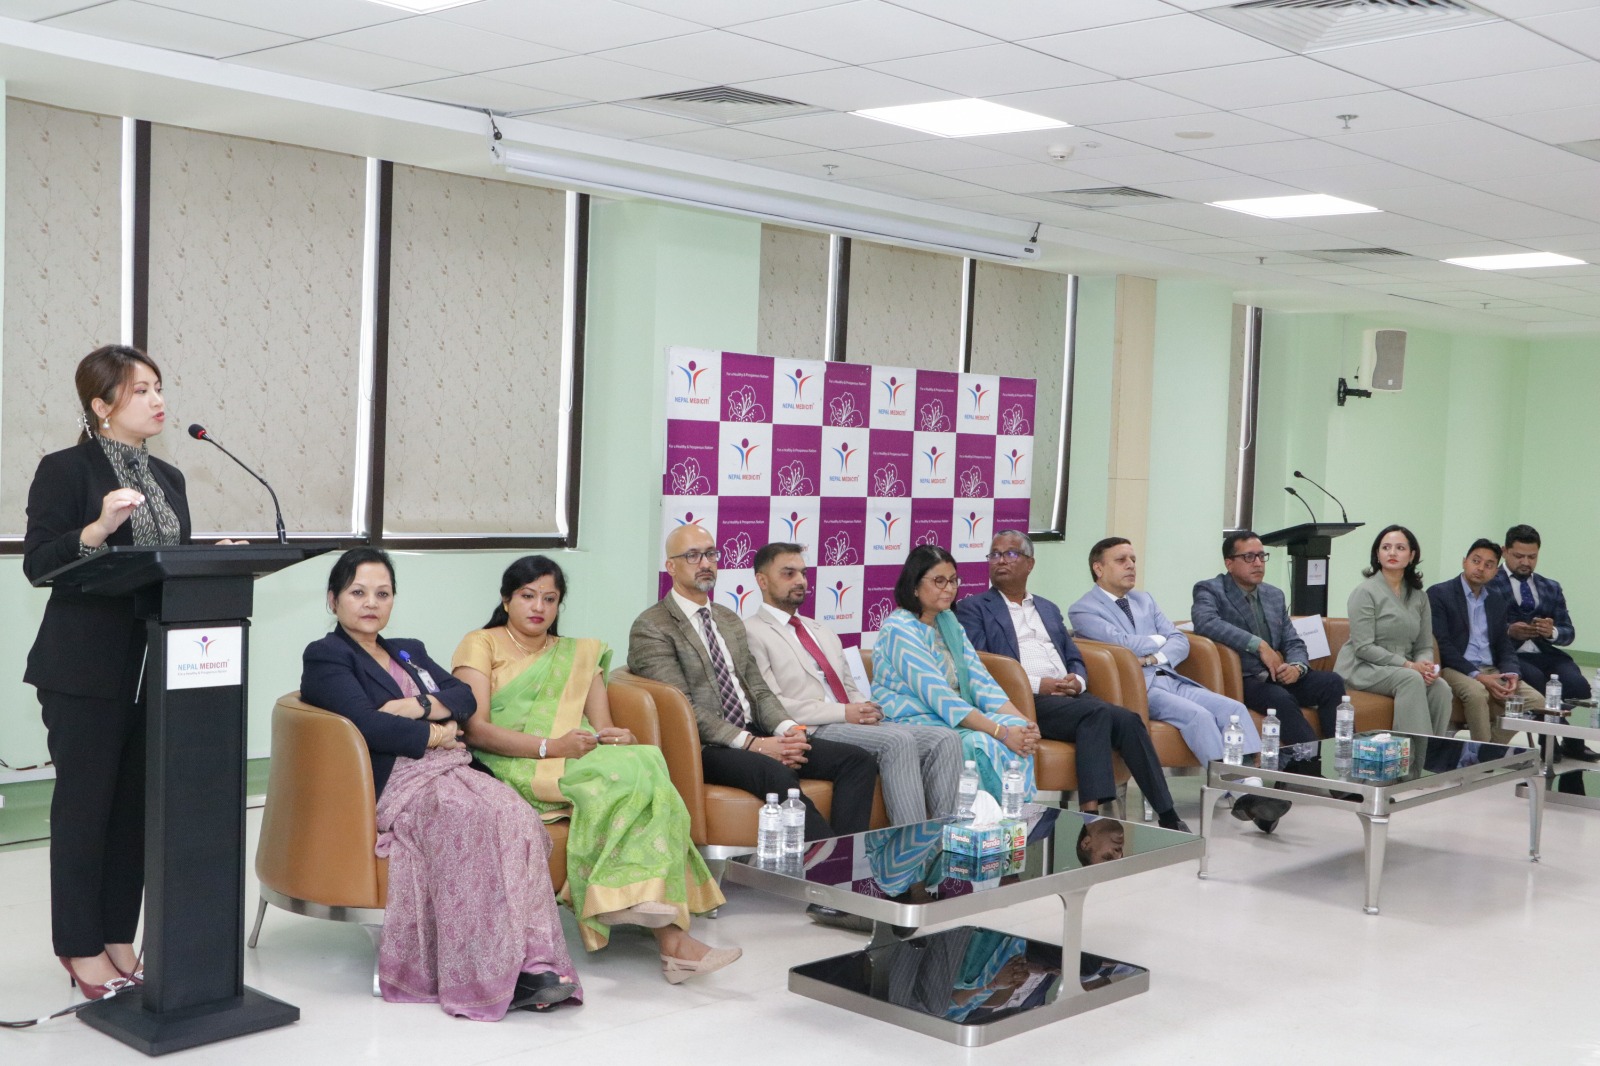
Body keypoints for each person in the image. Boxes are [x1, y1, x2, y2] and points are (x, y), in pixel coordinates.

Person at [301, 548, 580, 1020]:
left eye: (382, 594)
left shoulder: (407, 649)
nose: (371, 603)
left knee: (516, 817)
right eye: (358, 592)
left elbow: (464, 696)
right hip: (394, 779)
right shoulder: (328, 655)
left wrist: (420, 707)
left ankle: (534, 964)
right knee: (471, 821)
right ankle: (487, 974)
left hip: (450, 766)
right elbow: (368, 726)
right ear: (333, 600)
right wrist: (437, 733)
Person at [451, 556, 738, 983]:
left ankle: (651, 918)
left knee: (645, 760)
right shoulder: (481, 643)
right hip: (512, 760)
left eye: (550, 599)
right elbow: (475, 730)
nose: (539, 607)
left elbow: (603, 729)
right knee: (619, 778)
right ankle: (645, 918)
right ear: (506, 600)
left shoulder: (579, 654)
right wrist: (551, 747)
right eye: (528, 596)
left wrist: (618, 737)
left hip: (576, 753)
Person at [22, 346, 203, 998]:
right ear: (101, 406)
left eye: (159, 387)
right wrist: (98, 527)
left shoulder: (170, 477)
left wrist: (217, 561)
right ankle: (79, 946)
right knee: (85, 811)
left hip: (158, 667)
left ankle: (118, 938)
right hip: (85, 669)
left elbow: (169, 566)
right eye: (140, 390)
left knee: (133, 811)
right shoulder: (65, 470)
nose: (158, 400)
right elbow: (39, 564)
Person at [626, 524, 878, 842]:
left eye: (711, 554)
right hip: (705, 746)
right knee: (775, 772)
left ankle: (846, 856)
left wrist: (789, 730)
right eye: (692, 556)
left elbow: (757, 689)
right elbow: (682, 709)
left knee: (857, 761)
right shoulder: (652, 627)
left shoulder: (727, 619)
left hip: (756, 730)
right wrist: (753, 745)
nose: (705, 563)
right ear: (671, 566)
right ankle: (826, 861)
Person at [955, 530, 1190, 833]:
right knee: (1095, 713)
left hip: (1070, 696)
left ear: (1030, 563)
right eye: (995, 554)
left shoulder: (1047, 607)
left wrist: (1077, 680)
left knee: (1129, 721)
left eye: (1010, 554)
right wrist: (1039, 684)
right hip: (1024, 700)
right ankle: (1091, 817)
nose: (1001, 561)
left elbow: (1073, 654)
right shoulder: (974, 608)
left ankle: (1167, 814)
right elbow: (982, 664)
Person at [1068, 537, 1290, 833]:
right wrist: (1159, 640)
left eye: (1133, 559)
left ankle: (1254, 790)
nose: (1131, 565)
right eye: (1121, 560)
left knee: (1234, 709)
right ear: (1098, 568)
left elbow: (1179, 640)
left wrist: (1154, 656)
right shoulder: (1083, 609)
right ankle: (1240, 795)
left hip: (1169, 675)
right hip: (1138, 688)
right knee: (1198, 716)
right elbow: (1121, 643)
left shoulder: (1145, 600)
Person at [744, 542, 963, 826]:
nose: (800, 581)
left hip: (851, 722)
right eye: (789, 573)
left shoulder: (821, 630)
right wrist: (845, 713)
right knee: (897, 741)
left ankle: (947, 838)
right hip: (812, 728)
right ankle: (910, 846)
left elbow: (849, 688)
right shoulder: (751, 632)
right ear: (762, 581)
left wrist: (866, 708)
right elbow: (771, 704)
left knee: (946, 739)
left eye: (803, 573)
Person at [871, 544, 1040, 803]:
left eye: (952, 580)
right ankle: (983, 816)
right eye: (939, 581)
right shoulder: (899, 628)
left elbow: (981, 681)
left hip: (952, 716)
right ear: (914, 586)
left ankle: (1017, 813)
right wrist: (1002, 732)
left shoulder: (947, 620)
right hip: (913, 720)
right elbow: (941, 698)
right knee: (981, 742)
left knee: (1018, 728)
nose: (949, 589)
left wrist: (1026, 724)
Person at [1192, 530, 1344, 769]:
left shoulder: (1274, 595)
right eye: (1249, 557)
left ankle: (1341, 760)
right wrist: (1259, 644)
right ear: (1229, 563)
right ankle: (1313, 767)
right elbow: (1206, 622)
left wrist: (1297, 667)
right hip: (1245, 678)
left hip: (1278, 675)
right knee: (1280, 699)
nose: (1258, 563)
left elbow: (1292, 641)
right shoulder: (1211, 590)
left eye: (1262, 556)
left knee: (1331, 682)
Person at [1490, 524, 1596, 762]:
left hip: (1545, 652)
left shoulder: (1550, 587)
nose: (1526, 562)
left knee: (1578, 686)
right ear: (1505, 551)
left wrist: (1552, 632)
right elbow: (1479, 627)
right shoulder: (1490, 582)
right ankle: (1556, 741)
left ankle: (1565, 739)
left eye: (1532, 557)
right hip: (1509, 653)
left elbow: (1568, 632)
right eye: (1519, 556)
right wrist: (1509, 630)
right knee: (1537, 682)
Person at [1334, 525, 1452, 736]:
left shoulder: (1419, 596)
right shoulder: (1365, 592)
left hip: (1403, 668)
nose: (1392, 553)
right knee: (1411, 679)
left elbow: (1424, 645)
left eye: (1400, 548)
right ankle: (1411, 750)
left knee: (1440, 688)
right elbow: (1364, 647)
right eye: (1386, 547)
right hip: (1363, 667)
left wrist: (1425, 666)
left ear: (1412, 555)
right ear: (1377, 554)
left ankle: (1434, 751)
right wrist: (1409, 666)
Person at [1428, 539, 1544, 745]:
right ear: (1464, 561)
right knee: (1477, 692)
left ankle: (1488, 749)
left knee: (1537, 700)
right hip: (1456, 668)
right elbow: (1443, 645)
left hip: (1492, 668)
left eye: (1489, 565)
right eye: (1476, 561)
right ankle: (1484, 752)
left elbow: (1503, 644)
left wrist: (1512, 673)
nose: (1481, 568)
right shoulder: (1440, 594)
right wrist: (1478, 676)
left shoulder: (1496, 599)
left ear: (1495, 571)